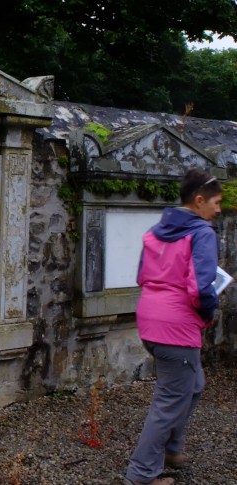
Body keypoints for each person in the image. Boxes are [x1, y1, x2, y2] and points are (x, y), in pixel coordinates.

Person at [124, 168, 223, 485]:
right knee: (168, 403)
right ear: (199, 201)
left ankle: (171, 448)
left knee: (193, 385)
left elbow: (142, 276)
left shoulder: (155, 231)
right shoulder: (202, 233)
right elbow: (201, 289)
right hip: (176, 328)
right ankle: (141, 474)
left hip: (150, 320)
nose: (218, 210)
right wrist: (209, 312)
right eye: (216, 202)